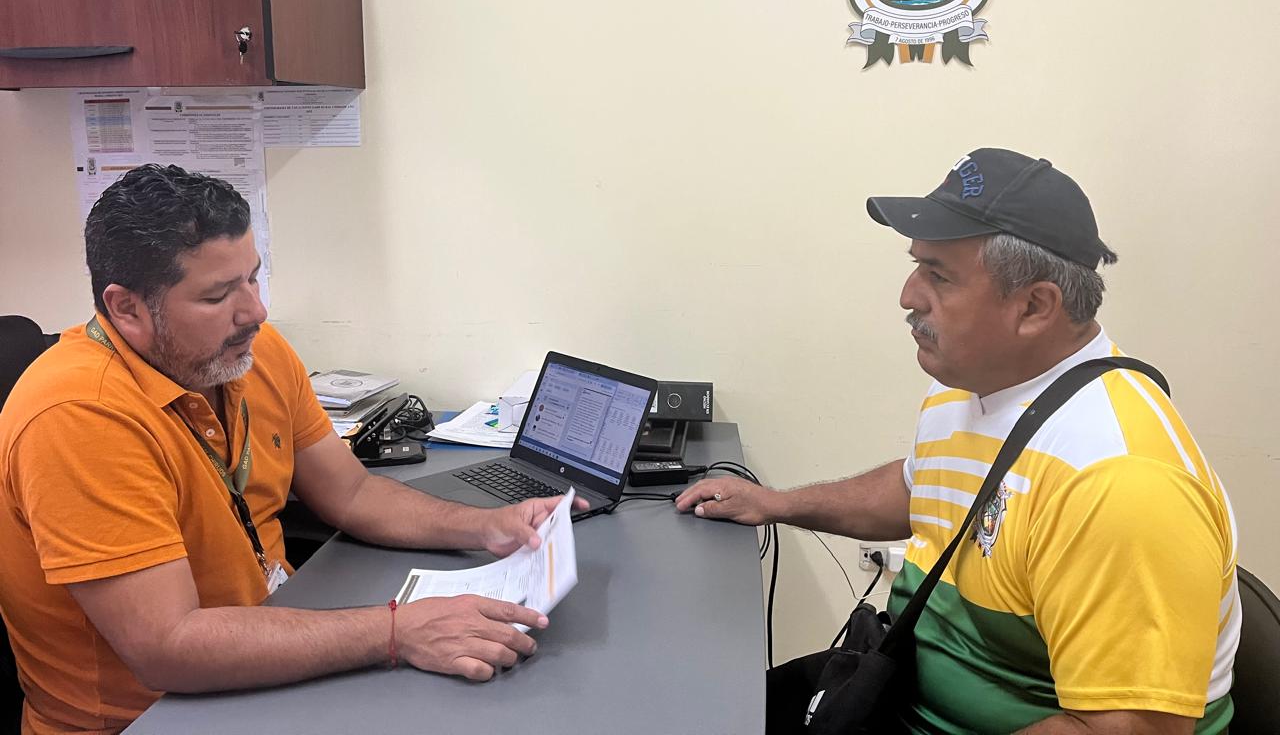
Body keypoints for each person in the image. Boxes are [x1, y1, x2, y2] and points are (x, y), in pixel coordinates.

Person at [0, 164, 585, 735]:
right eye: (218, 295)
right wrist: (398, 631)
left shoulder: (249, 354)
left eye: (253, 279)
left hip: (263, 660)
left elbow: (352, 493)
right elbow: (166, 647)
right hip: (149, 716)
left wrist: (487, 527)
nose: (255, 312)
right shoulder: (77, 415)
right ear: (127, 308)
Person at [677, 148, 1238, 735]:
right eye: (917, 266)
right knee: (697, 713)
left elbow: (1129, 730)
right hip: (901, 690)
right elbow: (920, 488)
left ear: (1034, 306)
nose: (909, 295)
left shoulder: (1119, 480)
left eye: (938, 275)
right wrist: (776, 503)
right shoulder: (971, 382)